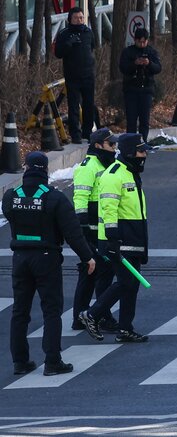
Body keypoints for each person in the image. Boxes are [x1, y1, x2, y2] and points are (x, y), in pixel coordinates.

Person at [6, 152, 96, 376]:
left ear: (26, 168)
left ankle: (20, 361)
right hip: (47, 257)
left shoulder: (11, 196)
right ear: (45, 170)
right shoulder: (54, 197)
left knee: (20, 311)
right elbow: (73, 232)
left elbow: (11, 216)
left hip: (19, 258)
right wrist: (87, 257)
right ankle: (53, 361)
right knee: (51, 310)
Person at [78, 133, 152, 343]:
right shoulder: (114, 174)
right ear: (129, 152)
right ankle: (91, 314)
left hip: (133, 238)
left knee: (131, 285)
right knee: (126, 282)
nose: (144, 154)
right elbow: (108, 210)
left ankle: (125, 328)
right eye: (141, 150)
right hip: (118, 240)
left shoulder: (130, 173)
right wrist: (112, 240)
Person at [69, 129, 117, 332]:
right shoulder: (88, 167)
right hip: (91, 231)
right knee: (95, 272)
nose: (114, 148)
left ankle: (81, 317)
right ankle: (101, 316)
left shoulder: (105, 164)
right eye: (110, 145)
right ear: (98, 145)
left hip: (101, 230)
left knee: (92, 272)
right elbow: (80, 200)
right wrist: (84, 232)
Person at [53, 7, 98, 143]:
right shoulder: (64, 33)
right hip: (73, 76)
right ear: (70, 20)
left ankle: (87, 132)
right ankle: (75, 134)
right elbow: (58, 53)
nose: (79, 20)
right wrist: (69, 44)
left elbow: (92, 47)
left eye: (81, 18)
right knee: (73, 106)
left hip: (88, 75)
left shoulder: (88, 32)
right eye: (76, 18)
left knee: (89, 105)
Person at [118, 28, 162, 141]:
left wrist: (149, 64)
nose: (142, 44)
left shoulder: (151, 52)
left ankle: (143, 142)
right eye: (139, 42)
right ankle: (131, 143)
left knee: (144, 120)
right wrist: (135, 64)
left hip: (146, 89)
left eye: (144, 42)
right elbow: (123, 68)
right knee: (131, 120)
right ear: (135, 40)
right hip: (131, 89)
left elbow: (158, 68)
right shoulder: (128, 52)